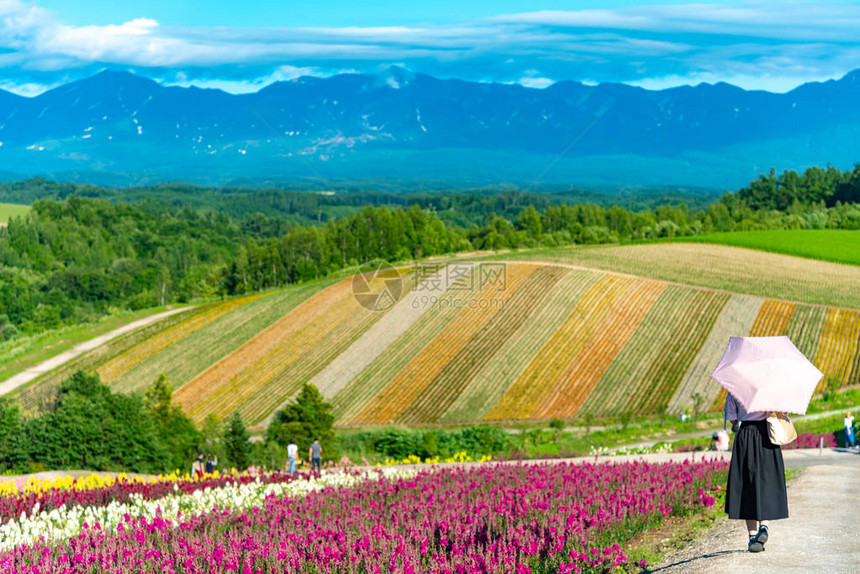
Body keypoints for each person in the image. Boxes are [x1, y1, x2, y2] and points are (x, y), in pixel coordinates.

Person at [725, 393, 788, 553]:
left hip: (745, 435)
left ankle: (752, 537)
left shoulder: (735, 388)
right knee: (768, 482)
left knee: (747, 484)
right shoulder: (770, 387)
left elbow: (732, 418)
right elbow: (782, 413)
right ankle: (764, 526)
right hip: (767, 435)